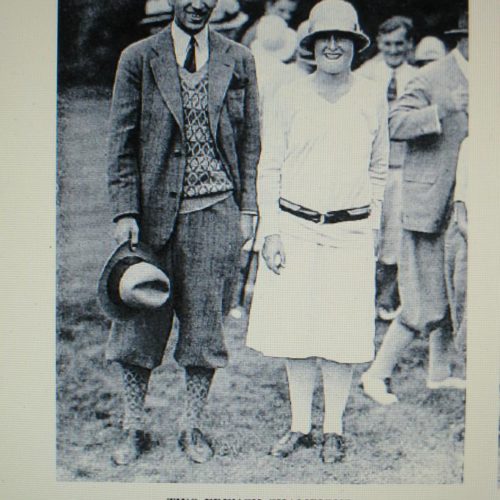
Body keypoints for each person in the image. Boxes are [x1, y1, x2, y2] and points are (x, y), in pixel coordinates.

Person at [106, 0, 260, 464]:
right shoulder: (138, 57)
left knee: (204, 329)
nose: (197, 3)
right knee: (138, 325)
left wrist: (247, 207)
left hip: (215, 212)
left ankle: (191, 426)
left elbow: (251, 139)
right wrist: (124, 211)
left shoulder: (238, 58)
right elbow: (122, 140)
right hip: (151, 217)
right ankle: (134, 427)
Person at [246, 0, 388, 462]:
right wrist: (271, 231)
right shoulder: (288, 93)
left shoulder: (370, 94)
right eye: (323, 38)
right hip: (296, 226)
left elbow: (379, 170)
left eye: (341, 38)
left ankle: (334, 429)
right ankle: (300, 426)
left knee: (341, 331)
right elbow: (270, 168)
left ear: (354, 44)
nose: (332, 45)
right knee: (297, 330)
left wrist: (374, 226)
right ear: (309, 45)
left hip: (350, 230)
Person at [361, 9, 469, 404]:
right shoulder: (430, 76)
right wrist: (439, 111)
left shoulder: (489, 76)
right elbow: (393, 124)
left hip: (465, 205)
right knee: (421, 298)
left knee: (449, 288)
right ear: (463, 38)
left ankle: (438, 373)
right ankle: (376, 374)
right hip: (426, 203)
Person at [356, 16, 418, 320]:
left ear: (409, 44)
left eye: (399, 43)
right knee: (368, 230)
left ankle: (386, 299)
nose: (393, 50)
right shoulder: (364, 75)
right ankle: (358, 297)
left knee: (395, 233)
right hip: (369, 166)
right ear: (378, 43)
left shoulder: (419, 77)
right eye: (388, 43)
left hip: (405, 166)